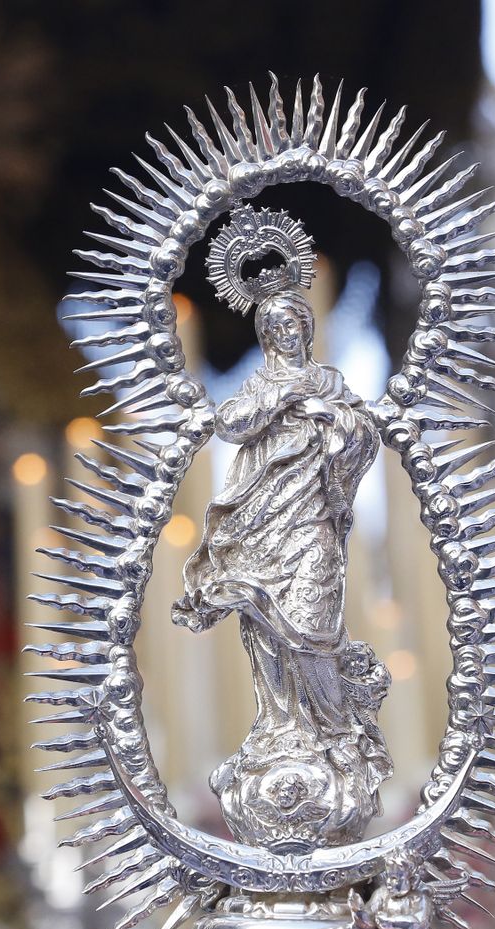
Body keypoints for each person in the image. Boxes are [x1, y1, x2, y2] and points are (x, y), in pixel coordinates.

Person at [172, 287, 390, 844]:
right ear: (265, 337)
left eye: (294, 323)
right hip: (262, 523)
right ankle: (280, 728)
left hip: (313, 523)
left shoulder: (331, 384)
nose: (287, 333)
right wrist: (282, 399)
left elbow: (362, 434)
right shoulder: (261, 387)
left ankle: (330, 728)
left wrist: (330, 419)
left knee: (313, 626)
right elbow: (232, 422)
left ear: (307, 329)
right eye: (275, 326)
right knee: (264, 627)